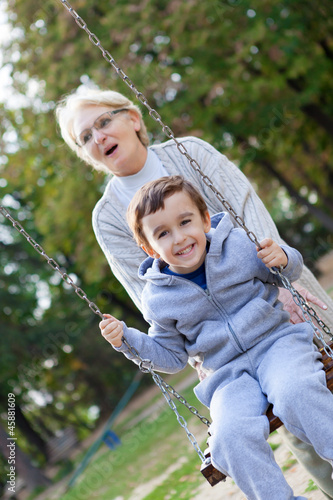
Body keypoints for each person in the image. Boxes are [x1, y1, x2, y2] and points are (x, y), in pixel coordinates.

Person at [55, 87, 333, 497]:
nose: (98, 136)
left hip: (276, 303)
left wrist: (277, 278)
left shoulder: (190, 153)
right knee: (254, 432)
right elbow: (147, 290)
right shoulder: (108, 216)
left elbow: (249, 214)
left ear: (132, 118)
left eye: (103, 121)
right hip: (217, 350)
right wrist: (168, 339)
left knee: (306, 395)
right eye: (85, 137)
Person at [99, 175, 333, 500]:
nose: (179, 238)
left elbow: (285, 272)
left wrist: (284, 257)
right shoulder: (158, 298)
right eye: (163, 233)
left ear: (205, 219)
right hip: (227, 377)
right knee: (230, 437)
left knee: (297, 392)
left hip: (277, 345)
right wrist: (127, 340)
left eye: (185, 222)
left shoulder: (236, 246)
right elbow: (171, 356)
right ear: (149, 248)